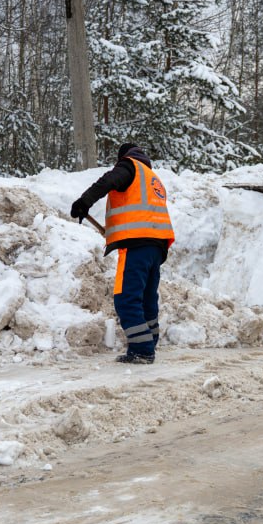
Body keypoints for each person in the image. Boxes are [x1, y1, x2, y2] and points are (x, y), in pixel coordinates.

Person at [70, 143, 174, 364]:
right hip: (157, 247)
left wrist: (83, 202)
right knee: (146, 298)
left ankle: (142, 350)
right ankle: (149, 342)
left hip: (137, 245)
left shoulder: (129, 167)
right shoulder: (153, 178)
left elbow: (107, 181)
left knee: (126, 298)